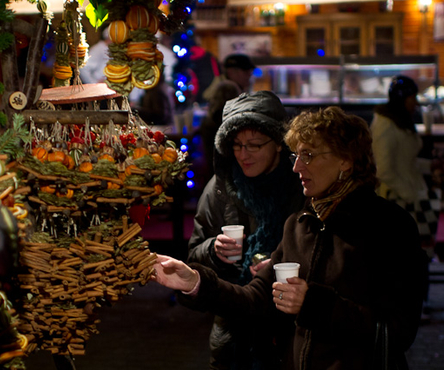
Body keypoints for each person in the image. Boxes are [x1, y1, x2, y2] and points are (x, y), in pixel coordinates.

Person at [155, 107, 427, 370]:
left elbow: (399, 331)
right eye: (296, 155)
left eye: (308, 155)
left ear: (346, 159)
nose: (296, 167)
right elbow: (254, 300)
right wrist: (196, 283)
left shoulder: (389, 226)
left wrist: (313, 304)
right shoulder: (300, 224)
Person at [188, 91, 305, 370]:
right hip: (233, 333)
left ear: (278, 143)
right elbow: (193, 255)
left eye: (254, 145)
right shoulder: (220, 188)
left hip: (292, 332)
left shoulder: (303, 185)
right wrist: (213, 251)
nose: (243, 155)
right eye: (237, 145)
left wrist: (281, 265)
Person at [370, 75, 440, 320]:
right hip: (399, 202)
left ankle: (418, 303)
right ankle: (408, 307)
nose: (415, 103)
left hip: (411, 197)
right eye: (412, 98)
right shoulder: (387, 125)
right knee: (405, 257)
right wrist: (412, 195)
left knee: (416, 255)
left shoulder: (399, 121)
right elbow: (385, 170)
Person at [200, 54, 256, 179]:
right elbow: (224, 121)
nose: (250, 74)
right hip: (224, 162)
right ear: (232, 71)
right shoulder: (228, 88)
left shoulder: (228, 86)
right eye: (246, 71)